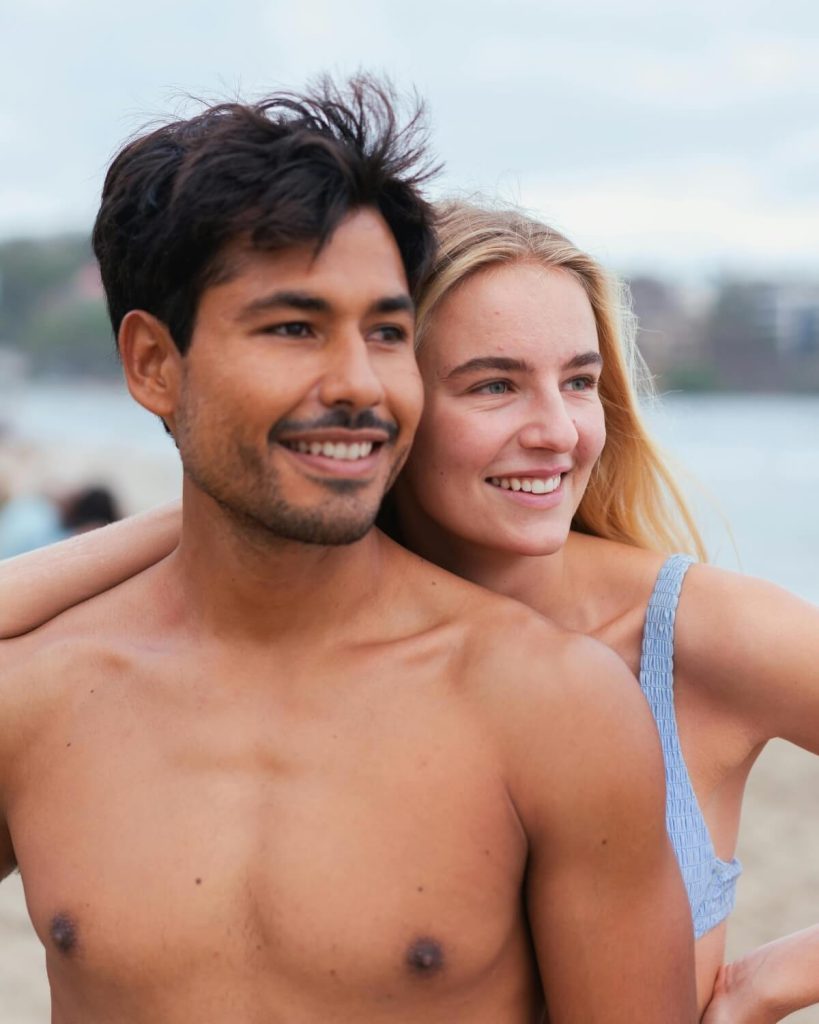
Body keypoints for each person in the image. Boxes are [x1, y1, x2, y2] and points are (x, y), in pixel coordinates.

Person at [8, 199, 819, 1023]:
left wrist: (772, 981)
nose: (558, 431)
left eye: (579, 382)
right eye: (494, 385)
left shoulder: (694, 632)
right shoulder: (322, 638)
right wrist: (210, 503)